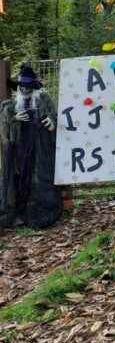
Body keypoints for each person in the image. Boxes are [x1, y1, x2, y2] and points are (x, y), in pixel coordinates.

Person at [0, 65, 62, 229]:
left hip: (40, 142)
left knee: (40, 175)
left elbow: (54, 115)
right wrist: (14, 118)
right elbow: (5, 122)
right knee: (21, 175)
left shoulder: (43, 99)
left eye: (28, 86)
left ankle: (40, 209)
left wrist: (52, 122)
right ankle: (19, 212)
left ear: (33, 86)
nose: (24, 89)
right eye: (22, 86)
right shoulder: (13, 103)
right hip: (20, 145)